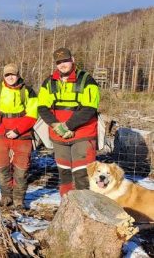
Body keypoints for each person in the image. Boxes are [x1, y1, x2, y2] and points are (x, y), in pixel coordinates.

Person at [38, 48, 100, 196]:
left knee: (82, 175)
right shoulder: (49, 82)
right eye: (59, 62)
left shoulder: (87, 80)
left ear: (72, 59)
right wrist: (56, 126)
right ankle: (66, 205)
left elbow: (89, 109)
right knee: (64, 174)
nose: (62, 64)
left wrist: (67, 126)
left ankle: (84, 211)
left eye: (65, 60)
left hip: (83, 134)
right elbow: (42, 107)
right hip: (59, 135)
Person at [0, 63, 38, 209]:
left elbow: (33, 114)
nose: (10, 77)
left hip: (22, 135)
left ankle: (19, 199)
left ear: (18, 75)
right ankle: (6, 197)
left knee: (21, 168)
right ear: (3, 76)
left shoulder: (28, 91)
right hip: (1, 134)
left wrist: (17, 130)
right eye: (7, 75)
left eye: (13, 74)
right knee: (3, 167)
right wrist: (1, 129)